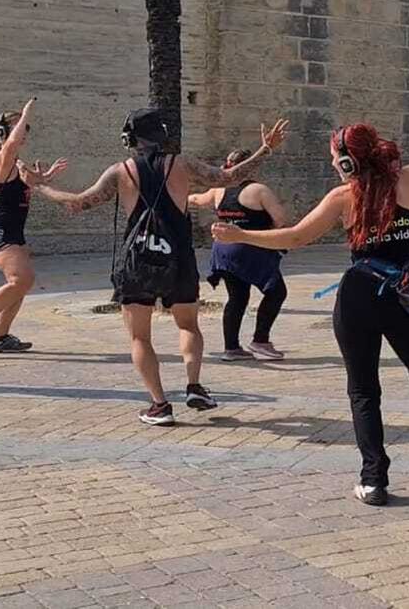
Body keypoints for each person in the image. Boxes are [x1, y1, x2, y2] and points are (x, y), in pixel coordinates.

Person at [213, 86, 409, 506]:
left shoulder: (343, 197)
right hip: (403, 296)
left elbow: (297, 236)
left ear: (346, 161)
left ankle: (374, 481)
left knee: (363, 390)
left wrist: (241, 234)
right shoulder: (405, 180)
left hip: (357, 294)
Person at [34, 109, 288, 425]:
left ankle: (159, 405)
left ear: (129, 139)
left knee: (140, 337)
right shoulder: (181, 164)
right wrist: (265, 149)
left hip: (137, 261)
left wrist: (39, 185)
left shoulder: (120, 171)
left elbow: (80, 200)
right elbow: (228, 177)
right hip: (177, 257)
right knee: (188, 325)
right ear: (163, 135)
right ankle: (194, 385)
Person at [0, 97, 68, 356]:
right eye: (18, 129)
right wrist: (25, 114)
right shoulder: (3, 158)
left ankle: (0, 338)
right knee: (22, 280)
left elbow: (30, 182)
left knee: (20, 284)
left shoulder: (17, 162)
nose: (23, 133)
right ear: (3, 134)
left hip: (14, 231)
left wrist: (47, 176)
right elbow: (11, 144)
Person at [190, 148, 291, 361]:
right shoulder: (258, 190)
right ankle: (260, 340)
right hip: (250, 247)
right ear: (251, 166)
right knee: (276, 292)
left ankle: (232, 348)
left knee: (236, 297)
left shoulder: (219, 190)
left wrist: (175, 194)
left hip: (224, 250)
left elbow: (197, 200)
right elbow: (280, 219)